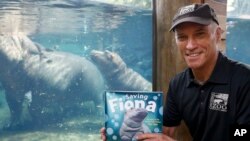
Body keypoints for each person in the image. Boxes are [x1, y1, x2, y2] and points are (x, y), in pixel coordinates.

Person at [100, 3, 250, 141]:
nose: (190, 45)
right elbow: (162, 133)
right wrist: (117, 134)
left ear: (217, 35)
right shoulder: (178, 84)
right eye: (182, 37)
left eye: (200, 34)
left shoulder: (244, 80)